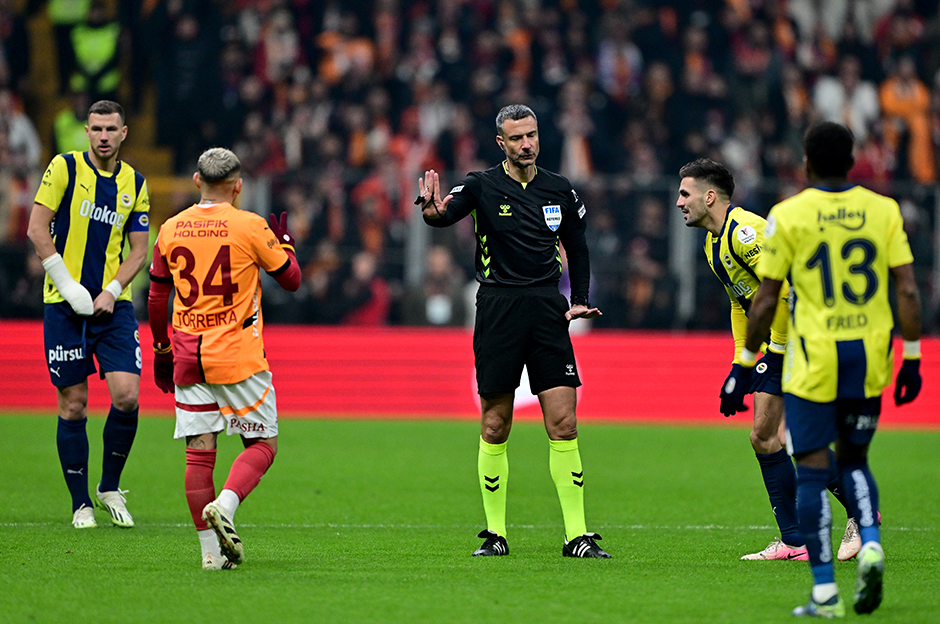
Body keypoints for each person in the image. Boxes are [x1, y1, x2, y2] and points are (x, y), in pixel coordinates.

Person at [720, 121, 922, 617]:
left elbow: (766, 298)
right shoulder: (884, 211)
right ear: (853, 161)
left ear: (805, 164)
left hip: (813, 356)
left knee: (809, 467)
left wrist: (745, 363)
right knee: (855, 459)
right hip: (869, 354)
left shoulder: (788, 216)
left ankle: (825, 593)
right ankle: (870, 541)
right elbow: (910, 291)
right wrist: (912, 358)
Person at [417, 104, 609, 558]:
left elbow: (577, 247)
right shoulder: (481, 185)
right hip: (499, 307)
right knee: (495, 423)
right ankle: (496, 534)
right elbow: (443, 216)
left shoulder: (560, 189)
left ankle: (577, 535)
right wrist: (429, 209)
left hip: (547, 308)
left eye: (532, 135)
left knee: (564, 423)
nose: (527, 144)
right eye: (517, 137)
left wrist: (578, 298)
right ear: (500, 143)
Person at [677, 158, 860, 562]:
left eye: (685, 193)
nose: (679, 202)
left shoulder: (746, 233)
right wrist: (739, 362)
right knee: (764, 435)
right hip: (783, 342)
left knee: (795, 436)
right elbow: (742, 305)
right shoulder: (713, 244)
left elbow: (785, 291)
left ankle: (862, 515)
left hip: (804, 335)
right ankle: (795, 540)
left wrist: (772, 352)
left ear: (710, 197)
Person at [147, 147, 301, 570]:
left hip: (188, 356)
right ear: (238, 186)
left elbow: (157, 295)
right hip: (237, 356)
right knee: (262, 444)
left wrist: (161, 349)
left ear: (196, 182)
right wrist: (286, 246)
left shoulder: (171, 228)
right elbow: (291, 281)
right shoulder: (249, 225)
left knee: (199, 452)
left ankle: (211, 556)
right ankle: (227, 507)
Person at [26, 99, 150, 529]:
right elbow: (36, 228)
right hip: (64, 305)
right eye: (95, 128)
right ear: (87, 131)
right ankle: (81, 504)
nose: (102, 136)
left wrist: (112, 290)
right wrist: (69, 286)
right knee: (74, 405)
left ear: (123, 133)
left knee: (128, 396)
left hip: (113, 309)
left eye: (110, 129)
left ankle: (109, 486)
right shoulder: (64, 168)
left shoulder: (135, 182)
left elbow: (139, 251)